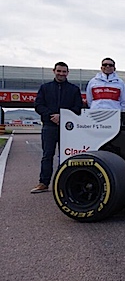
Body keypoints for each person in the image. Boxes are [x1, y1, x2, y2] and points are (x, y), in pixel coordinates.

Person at [31, 62, 83, 193]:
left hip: (68, 128)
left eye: (64, 71)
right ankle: (43, 183)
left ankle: (65, 184)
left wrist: (62, 116)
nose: (61, 74)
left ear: (68, 72)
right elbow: (38, 105)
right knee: (47, 155)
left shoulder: (74, 89)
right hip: (49, 126)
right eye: (59, 71)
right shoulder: (45, 88)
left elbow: (78, 107)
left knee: (67, 156)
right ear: (54, 71)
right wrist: (51, 116)